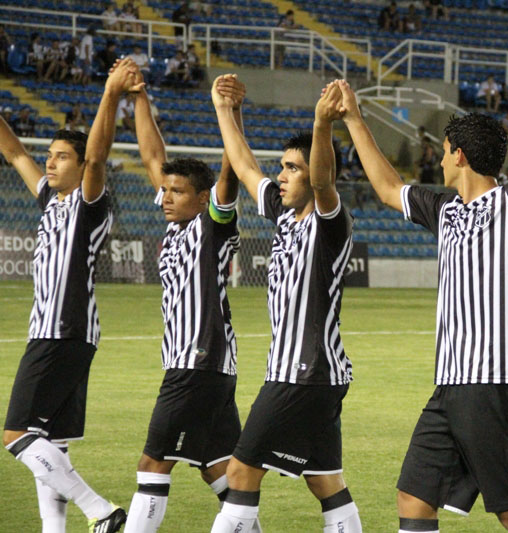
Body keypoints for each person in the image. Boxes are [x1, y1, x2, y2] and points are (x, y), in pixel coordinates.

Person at [337, 72, 508, 532]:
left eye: (446, 148)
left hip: (492, 380)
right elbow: (389, 189)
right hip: (451, 383)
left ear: (459, 154)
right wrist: (353, 117)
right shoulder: (445, 210)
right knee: (413, 497)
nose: (441, 158)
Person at [209, 79, 360, 533]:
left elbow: (323, 179)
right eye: (283, 167)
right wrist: (224, 109)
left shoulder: (329, 222)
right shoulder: (282, 212)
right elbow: (243, 164)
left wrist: (320, 124)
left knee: (239, 473)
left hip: (302, 375)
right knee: (326, 482)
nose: (281, 175)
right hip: (312, 376)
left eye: (292, 168)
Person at [1, 58, 140, 533]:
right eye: (52, 154)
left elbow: (99, 155)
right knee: (51, 445)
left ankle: (100, 510)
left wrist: (110, 92)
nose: (50, 161)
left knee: (17, 435)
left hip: (61, 331)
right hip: (65, 333)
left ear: (81, 168)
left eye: (62, 156)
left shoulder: (87, 204)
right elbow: (17, 153)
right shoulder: (52, 201)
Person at [119, 64, 257, 532]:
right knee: (222, 473)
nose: (167, 198)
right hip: (208, 368)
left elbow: (231, 176)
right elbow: (152, 153)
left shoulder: (211, 227)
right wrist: (139, 97)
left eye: (178, 192)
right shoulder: (175, 228)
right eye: (165, 190)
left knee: (153, 463)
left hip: (195, 365)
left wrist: (232, 114)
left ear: (203, 199)